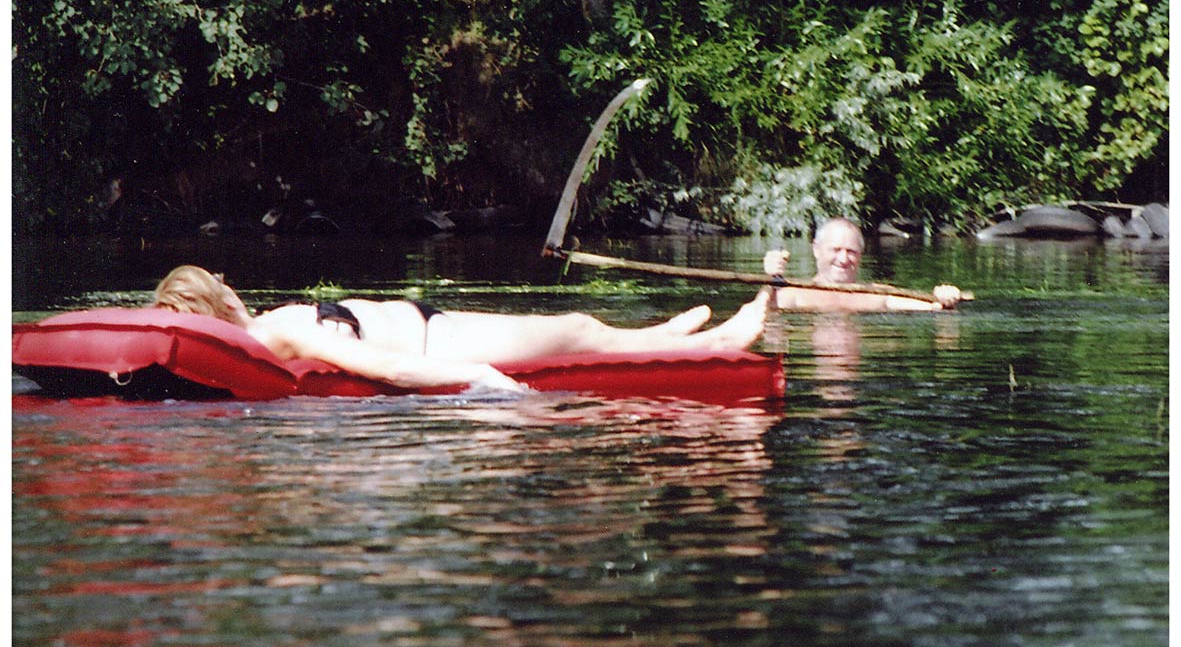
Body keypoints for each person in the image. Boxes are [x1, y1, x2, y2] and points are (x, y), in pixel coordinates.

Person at [152, 265, 773, 393]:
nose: (229, 277)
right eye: (217, 276)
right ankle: (712, 346)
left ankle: (670, 335)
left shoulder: (267, 325)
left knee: (583, 329)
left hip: (431, 324)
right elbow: (383, 367)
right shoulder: (276, 334)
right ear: (214, 295)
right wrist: (475, 378)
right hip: (442, 346)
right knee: (579, 327)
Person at [763, 217, 963, 312]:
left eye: (851, 252)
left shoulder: (878, 295)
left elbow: (933, 307)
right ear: (816, 249)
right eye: (835, 249)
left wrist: (945, 298)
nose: (843, 259)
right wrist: (772, 281)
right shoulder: (792, 294)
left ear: (860, 255)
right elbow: (761, 313)